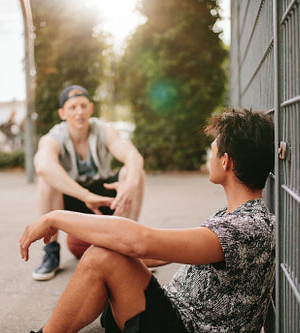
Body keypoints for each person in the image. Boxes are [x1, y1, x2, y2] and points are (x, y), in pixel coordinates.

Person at [20, 108, 275, 332]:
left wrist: (56, 217)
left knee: (103, 257)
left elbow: (141, 241)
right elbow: (162, 252)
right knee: (109, 252)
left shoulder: (245, 228)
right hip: (176, 315)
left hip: (187, 326)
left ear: (225, 161)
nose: (209, 157)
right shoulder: (240, 217)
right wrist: (119, 255)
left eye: (212, 150)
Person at [31, 84, 145, 281]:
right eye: (72, 107)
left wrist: (131, 183)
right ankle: (51, 251)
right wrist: (86, 196)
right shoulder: (53, 137)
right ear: (62, 113)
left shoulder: (105, 130)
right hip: (73, 201)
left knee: (134, 172)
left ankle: (129, 248)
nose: (79, 112)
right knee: (46, 181)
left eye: (83, 106)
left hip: (105, 199)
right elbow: (43, 166)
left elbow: (132, 155)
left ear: (91, 108)